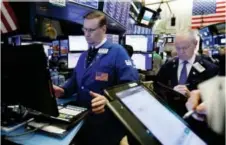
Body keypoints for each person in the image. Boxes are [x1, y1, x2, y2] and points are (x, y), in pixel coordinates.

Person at [53, 11, 139, 145]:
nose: (86, 34)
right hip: (83, 121)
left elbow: (131, 86)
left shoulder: (117, 52)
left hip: (106, 124)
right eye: (84, 29)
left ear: (103, 29)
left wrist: (109, 99)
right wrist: (63, 90)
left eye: (91, 30)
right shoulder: (84, 55)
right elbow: (75, 80)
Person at [156, 31, 219, 97]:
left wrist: (193, 97)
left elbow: (215, 97)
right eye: (178, 48)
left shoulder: (210, 68)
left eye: (185, 47)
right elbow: (158, 87)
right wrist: (171, 92)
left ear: (195, 44)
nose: (181, 51)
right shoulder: (168, 66)